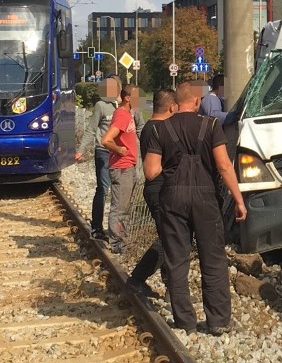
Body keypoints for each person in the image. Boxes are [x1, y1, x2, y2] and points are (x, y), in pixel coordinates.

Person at [143, 82, 247, 336]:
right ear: (198, 102)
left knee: (177, 260)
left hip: (173, 198)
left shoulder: (161, 128)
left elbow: (150, 171)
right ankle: (218, 321)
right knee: (212, 258)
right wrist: (238, 199)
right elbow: (223, 165)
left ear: (176, 104)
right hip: (205, 198)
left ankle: (185, 321)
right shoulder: (211, 125)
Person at [127, 88, 177, 298]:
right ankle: (137, 279)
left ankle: (171, 287)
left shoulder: (149, 127)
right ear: (172, 107)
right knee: (170, 239)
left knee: (169, 237)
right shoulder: (163, 129)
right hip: (161, 189)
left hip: (154, 189)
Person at [81, 75, 142, 240]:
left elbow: (140, 126)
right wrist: (81, 149)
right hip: (104, 151)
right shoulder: (102, 105)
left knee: (121, 197)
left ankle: (119, 232)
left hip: (125, 157)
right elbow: (92, 129)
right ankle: (97, 227)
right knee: (103, 189)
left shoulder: (132, 107)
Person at [100, 84, 140, 255]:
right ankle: (117, 243)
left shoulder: (125, 114)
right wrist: (119, 149)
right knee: (121, 207)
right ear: (128, 98)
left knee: (124, 206)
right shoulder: (122, 116)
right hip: (122, 167)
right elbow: (106, 140)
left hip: (125, 166)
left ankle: (121, 240)